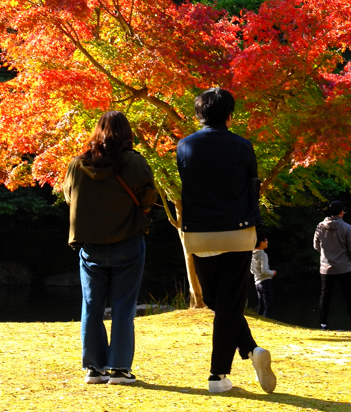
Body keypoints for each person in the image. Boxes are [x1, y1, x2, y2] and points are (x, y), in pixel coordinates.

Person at [177, 87, 276, 394]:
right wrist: (259, 231)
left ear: (198, 114)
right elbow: (252, 189)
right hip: (237, 230)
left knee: (217, 302)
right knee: (227, 302)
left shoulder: (184, 146)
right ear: (230, 115)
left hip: (200, 231)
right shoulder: (242, 146)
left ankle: (244, 356)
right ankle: (224, 371)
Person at [63, 111, 158, 385]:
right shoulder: (135, 163)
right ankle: (119, 369)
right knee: (123, 307)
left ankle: (94, 368)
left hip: (90, 245)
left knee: (91, 306)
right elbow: (148, 197)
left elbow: (70, 196)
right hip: (128, 241)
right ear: (127, 132)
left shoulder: (77, 165)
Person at [313, 200, 351, 331]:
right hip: (343, 266)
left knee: (325, 296)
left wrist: (326, 253)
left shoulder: (320, 226)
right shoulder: (347, 227)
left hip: (325, 267)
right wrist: (350, 256)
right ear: (341, 212)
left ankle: (323, 323)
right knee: (349, 295)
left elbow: (316, 246)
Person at [250, 235, 276, 318]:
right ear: (261, 243)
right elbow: (264, 271)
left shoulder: (252, 254)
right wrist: (272, 272)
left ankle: (258, 321)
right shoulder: (263, 254)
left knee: (261, 307)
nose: (267, 242)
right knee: (268, 308)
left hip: (257, 283)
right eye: (266, 240)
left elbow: (251, 270)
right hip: (265, 282)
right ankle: (267, 321)